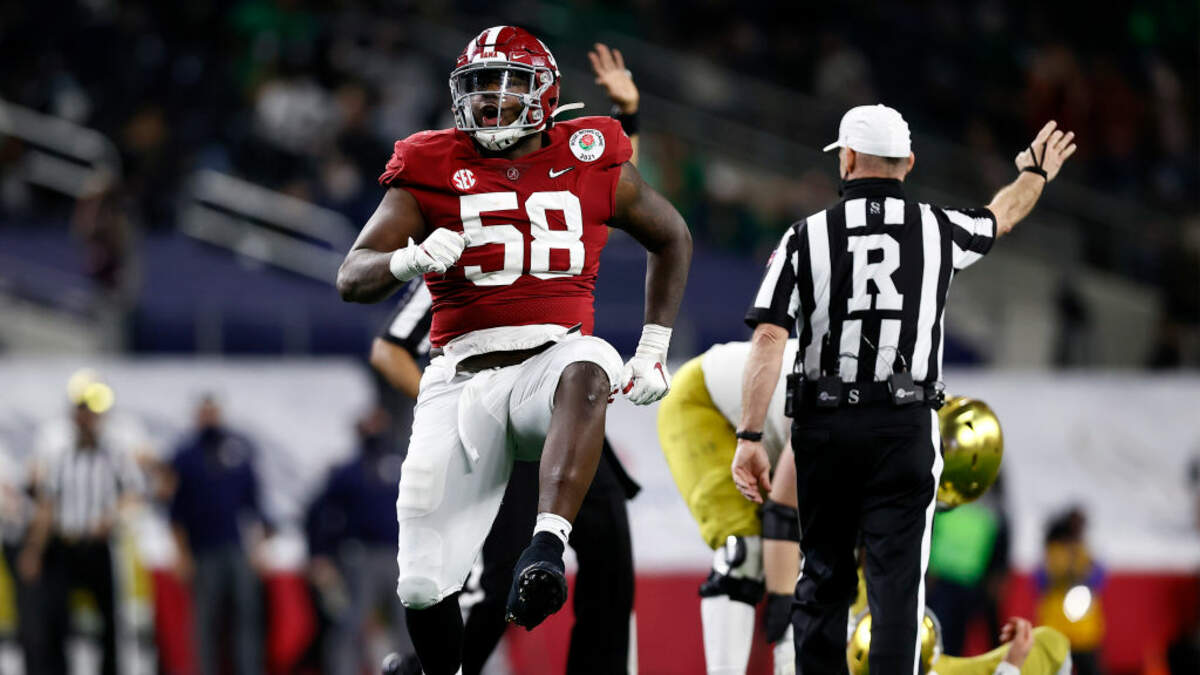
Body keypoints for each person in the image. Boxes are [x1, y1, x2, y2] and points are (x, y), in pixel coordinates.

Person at [336, 25, 691, 675]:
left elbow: (638, 206)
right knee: (439, 582)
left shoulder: (581, 156)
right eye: (479, 87)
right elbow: (360, 289)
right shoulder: (437, 189)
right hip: (466, 381)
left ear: (543, 94)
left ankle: (549, 552)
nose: (490, 100)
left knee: (592, 376)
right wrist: (409, 259)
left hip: (554, 377)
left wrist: (652, 346)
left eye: (505, 86)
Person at [732, 105, 1076, 674]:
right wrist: (1034, 173)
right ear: (909, 163)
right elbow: (1002, 216)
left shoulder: (805, 237)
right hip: (904, 424)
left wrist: (749, 435)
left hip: (826, 424)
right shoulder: (939, 228)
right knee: (897, 591)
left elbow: (769, 336)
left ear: (846, 159)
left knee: (822, 578)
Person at [656, 338, 803, 674]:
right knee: (743, 553)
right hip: (705, 405)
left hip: (777, 437)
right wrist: (783, 600)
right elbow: (784, 513)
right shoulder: (831, 405)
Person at [18, 371, 145, 675]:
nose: (86, 419)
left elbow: (133, 494)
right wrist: (34, 550)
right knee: (56, 620)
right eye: (81, 412)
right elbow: (47, 506)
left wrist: (111, 517)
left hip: (98, 546)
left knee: (109, 622)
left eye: (91, 413)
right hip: (65, 544)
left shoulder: (114, 455)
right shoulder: (61, 456)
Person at [166, 395, 270, 675]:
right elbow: (175, 513)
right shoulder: (185, 456)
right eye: (205, 412)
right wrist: (181, 554)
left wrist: (258, 548)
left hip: (238, 548)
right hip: (202, 550)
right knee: (205, 620)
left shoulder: (237, 452)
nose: (209, 418)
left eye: (213, 412)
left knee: (246, 617)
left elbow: (255, 506)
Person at [307, 405, 415, 675]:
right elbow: (318, 514)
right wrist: (320, 554)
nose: (374, 428)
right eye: (369, 423)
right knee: (351, 623)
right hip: (360, 557)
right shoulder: (348, 471)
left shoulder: (405, 465)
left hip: (401, 556)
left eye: (378, 422)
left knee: (409, 625)